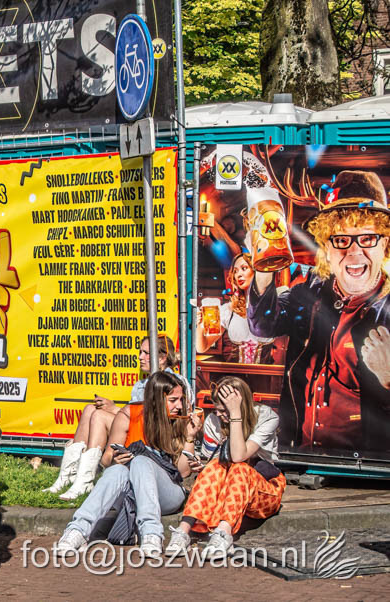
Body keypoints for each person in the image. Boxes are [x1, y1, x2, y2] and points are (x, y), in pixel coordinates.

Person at [248, 170, 390, 456]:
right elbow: (262, 325)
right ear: (326, 245)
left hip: (367, 470)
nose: (354, 252)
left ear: (385, 244)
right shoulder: (310, 291)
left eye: (367, 238)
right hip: (300, 458)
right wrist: (263, 264)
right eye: (341, 240)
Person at [55, 371, 203, 558]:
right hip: (130, 492)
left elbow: (182, 472)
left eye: (181, 399)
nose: (179, 405)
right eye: (173, 400)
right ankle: (77, 530)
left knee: (141, 460)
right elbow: (106, 458)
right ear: (156, 400)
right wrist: (114, 459)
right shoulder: (130, 414)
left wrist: (189, 437)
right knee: (117, 470)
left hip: (168, 493)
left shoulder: (182, 420)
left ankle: (151, 533)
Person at [45, 335, 192, 500]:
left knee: (99, 416)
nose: (140, 357)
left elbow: (156, 416)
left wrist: (114, 409)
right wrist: (115, 409)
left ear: (162, 358)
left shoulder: (175, 382)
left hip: (157, 434)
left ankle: (86, 480)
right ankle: (67, 476)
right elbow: (134, 415)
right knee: (90, 409)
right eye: (140, 352)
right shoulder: (141, 385)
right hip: (138, 426)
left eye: (146, 353)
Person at [166, 377, 284, 558]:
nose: (219, 414)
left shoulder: (267, 417)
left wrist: (235, 414)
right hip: (226, 490)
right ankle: (183, 530)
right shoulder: (213, 421)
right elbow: (215, 464)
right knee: (214, 466)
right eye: (217, 409)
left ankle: (223, 533)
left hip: (263, 489)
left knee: (240, 467)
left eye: (224, 410)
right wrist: (201, 465)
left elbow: (238, 456)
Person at [196, 253, 274, 363]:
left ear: (256, 271)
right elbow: (202, 347)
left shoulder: (272, 306)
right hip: (234, 372)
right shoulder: (229, 310)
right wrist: (200, 326)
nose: (238, 274)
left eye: (244, 268)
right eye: (235, 271)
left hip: (266, 372)